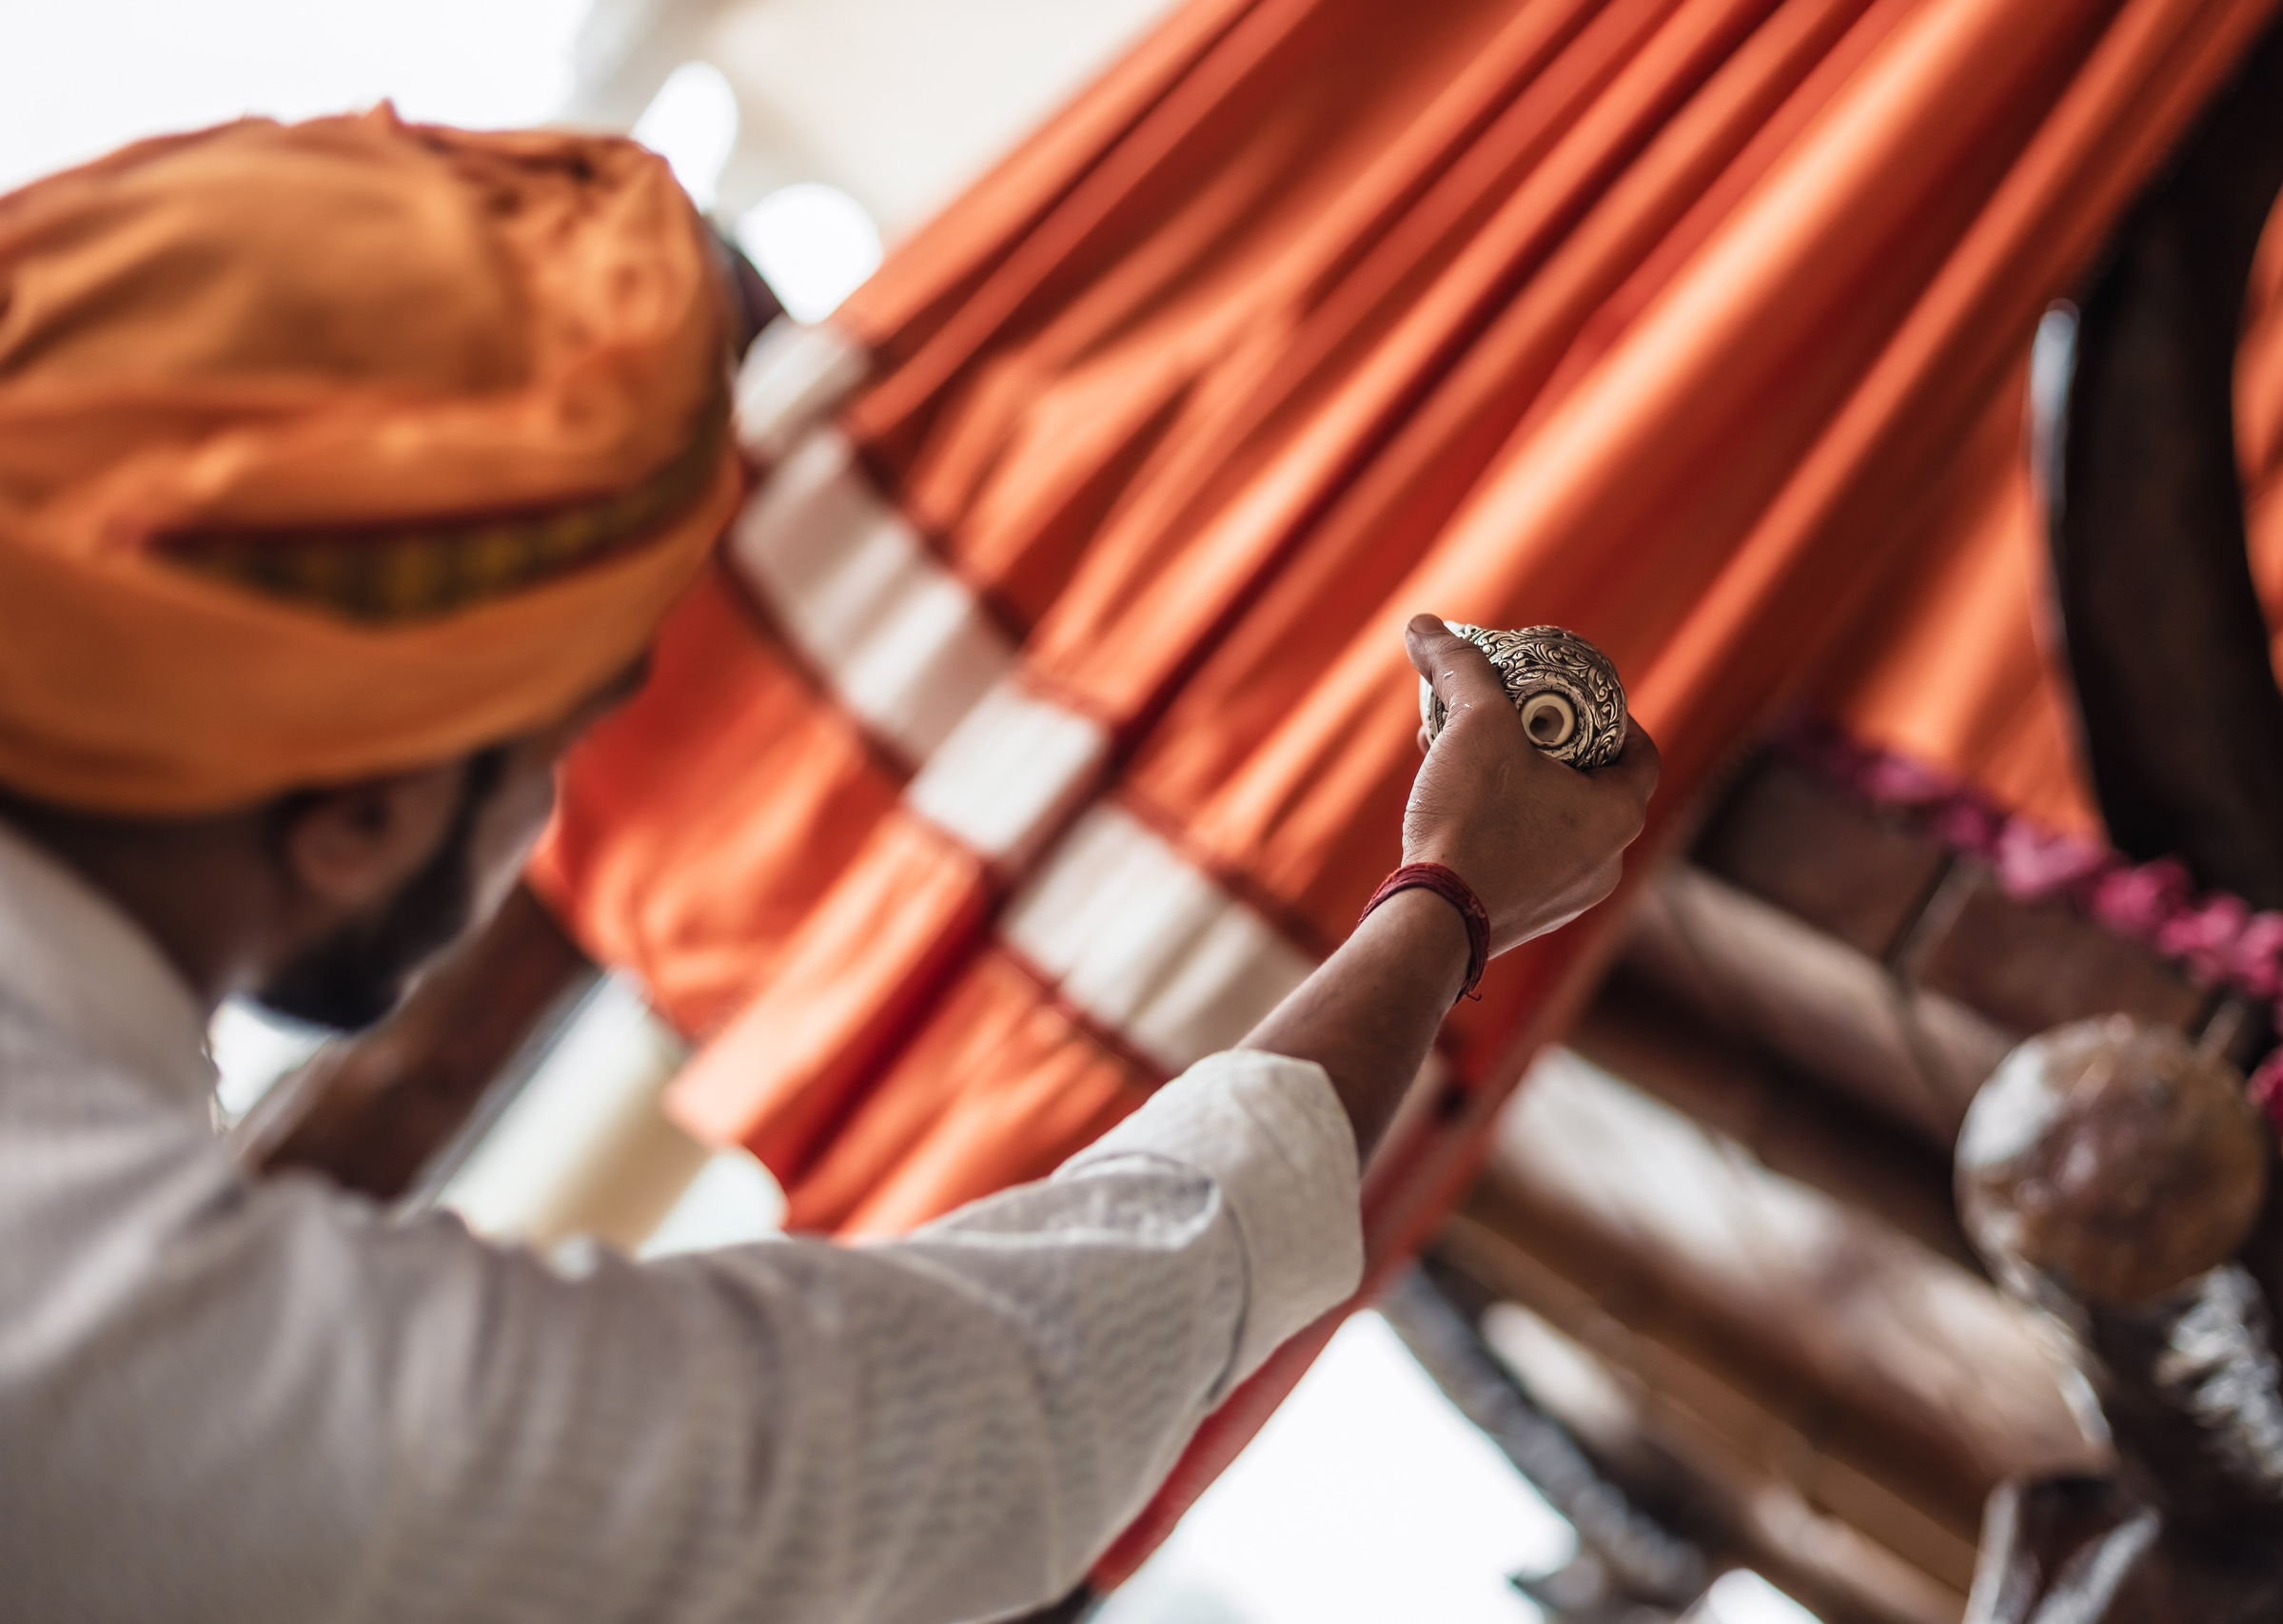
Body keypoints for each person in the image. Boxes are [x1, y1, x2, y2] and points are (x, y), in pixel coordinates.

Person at [0, 110, 1659, 1623]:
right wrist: (1445, 899)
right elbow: (962, 1417)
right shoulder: (154, 1336)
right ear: (356, 813)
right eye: (570, 728)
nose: (560, 815)